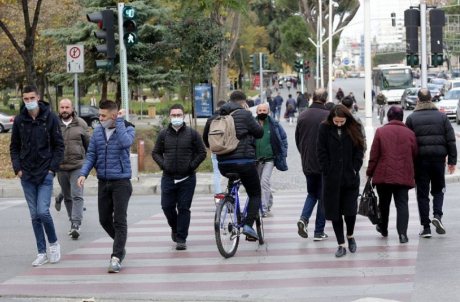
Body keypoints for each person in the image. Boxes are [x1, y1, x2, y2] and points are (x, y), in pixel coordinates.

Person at [77, 100, 135, 273]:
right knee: (104, 219)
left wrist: (119, 123)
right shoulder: (98, 132)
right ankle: (120, 244)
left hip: (121, 182)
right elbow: (92, 155)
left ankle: (116, 256)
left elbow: (126, 143)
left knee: (119, 219)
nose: (100, 118)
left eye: (103, 115)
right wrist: (83, 173)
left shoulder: (128, 128)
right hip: (104, 181)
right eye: (99, 115)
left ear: (113, 115)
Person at [10, 85, 64, 267]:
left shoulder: (50, 118)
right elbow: (14, 147)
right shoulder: (20, 120)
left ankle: (54, 243)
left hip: (45, 174)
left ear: (38, 97)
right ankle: (41, 251)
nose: (29, 102)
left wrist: (51, 170)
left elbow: (59, 146)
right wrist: (17, 168)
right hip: (26, 175)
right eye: (25, 99)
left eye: (31, 98)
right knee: (34, 215)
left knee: (43, 211)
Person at [203, 90, 263, 240]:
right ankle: (248, 225)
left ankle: (230, 200)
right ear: (243, 102)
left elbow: (206, 139)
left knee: (233, 181)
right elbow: (259, 133)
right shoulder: (245, 114)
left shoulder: (215, 117)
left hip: (223, 163)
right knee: (255, 193)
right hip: (245, 162)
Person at [153, 104, 207, 250]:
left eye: (179, 115)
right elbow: (155, 152)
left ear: (183, 116)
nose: (176, 117)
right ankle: (175, 228)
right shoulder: (164, 134)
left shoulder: (192, 134)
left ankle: (181, 239)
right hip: (168, 177)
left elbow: (202, 152)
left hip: (187, 178)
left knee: (184, 208)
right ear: (170, 117)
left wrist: (191, 166)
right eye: (173, 115)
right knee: (166, 206)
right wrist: (164, 165)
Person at [405, 88, 457, 238]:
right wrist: (452, 161)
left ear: (418, 100)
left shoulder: (411, 118)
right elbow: (451, 140)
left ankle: (426, 227)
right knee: (439, 189)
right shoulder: (442, 117)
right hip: (438, 160)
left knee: (422, 193)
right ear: (431, 99)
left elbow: (408, 143)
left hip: (420, 161)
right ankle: (437, 216)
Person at [317, 104, 365, 257]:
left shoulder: (354, 127)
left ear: (346, 119)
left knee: (350, 211)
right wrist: (327, 169)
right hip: (331, 179)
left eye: (341, 122)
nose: (338, 124)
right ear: (332, 119)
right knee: (335, 212)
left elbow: (360, 149)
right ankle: (341, 244)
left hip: (350, 177)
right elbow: (321, 150)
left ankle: (350, 235)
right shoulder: (324, 128)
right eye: (336, 121)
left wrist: (355, 167)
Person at [366, 106, 418, 244]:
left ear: (388, 117)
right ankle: (402, 234)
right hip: (403, 175)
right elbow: (414, 154)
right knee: (402, 204)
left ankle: (383, 229)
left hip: (384, 176)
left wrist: (369, 172)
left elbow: (374, 155)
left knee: (384, 204)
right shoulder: (410, 134)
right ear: (402, 117)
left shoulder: (380, 131)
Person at [295, 88, 329, 241]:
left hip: (307, 162)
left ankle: (304, 218)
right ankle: (318, 231)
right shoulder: (328, 116)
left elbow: (297, 139)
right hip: (324, 163)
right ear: (325, 99)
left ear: (313, 98)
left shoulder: (302, 116)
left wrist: (305, 154)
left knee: (312, 193)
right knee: (322, 196)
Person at [56, 98, 90, 240]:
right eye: (62, 107)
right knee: (68, 196)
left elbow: (89, 145)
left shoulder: (81, 123)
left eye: (67, 107)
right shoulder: (54, 124)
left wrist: (89, 164)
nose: (64, 110)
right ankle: (72, 220)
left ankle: (76, 224)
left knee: (77, 195)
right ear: (59, 109)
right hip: (61, 167)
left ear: (72, 108)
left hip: (78, 166)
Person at [255, 103, 288, 216]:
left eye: (264, 110)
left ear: (268, 111)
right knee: (260, 183)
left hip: (269, 159)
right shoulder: (252, 123)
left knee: (264, 181)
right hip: (256, 160)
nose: (262, 112)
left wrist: (283, 153)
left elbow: (283, 138)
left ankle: (263, 209)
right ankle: (268, 201)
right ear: (257, 112)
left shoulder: (274, 124)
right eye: (260, 110)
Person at [204, 100, 227, 196]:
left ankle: (218, 194)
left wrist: (210, 146)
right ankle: (232, 194)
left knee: (217, 173)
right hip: (227, 150)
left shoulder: (210, 119)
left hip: (215, 150)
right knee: (230, 172)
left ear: (217, 107)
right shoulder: (228, 118)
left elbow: (205, 136)